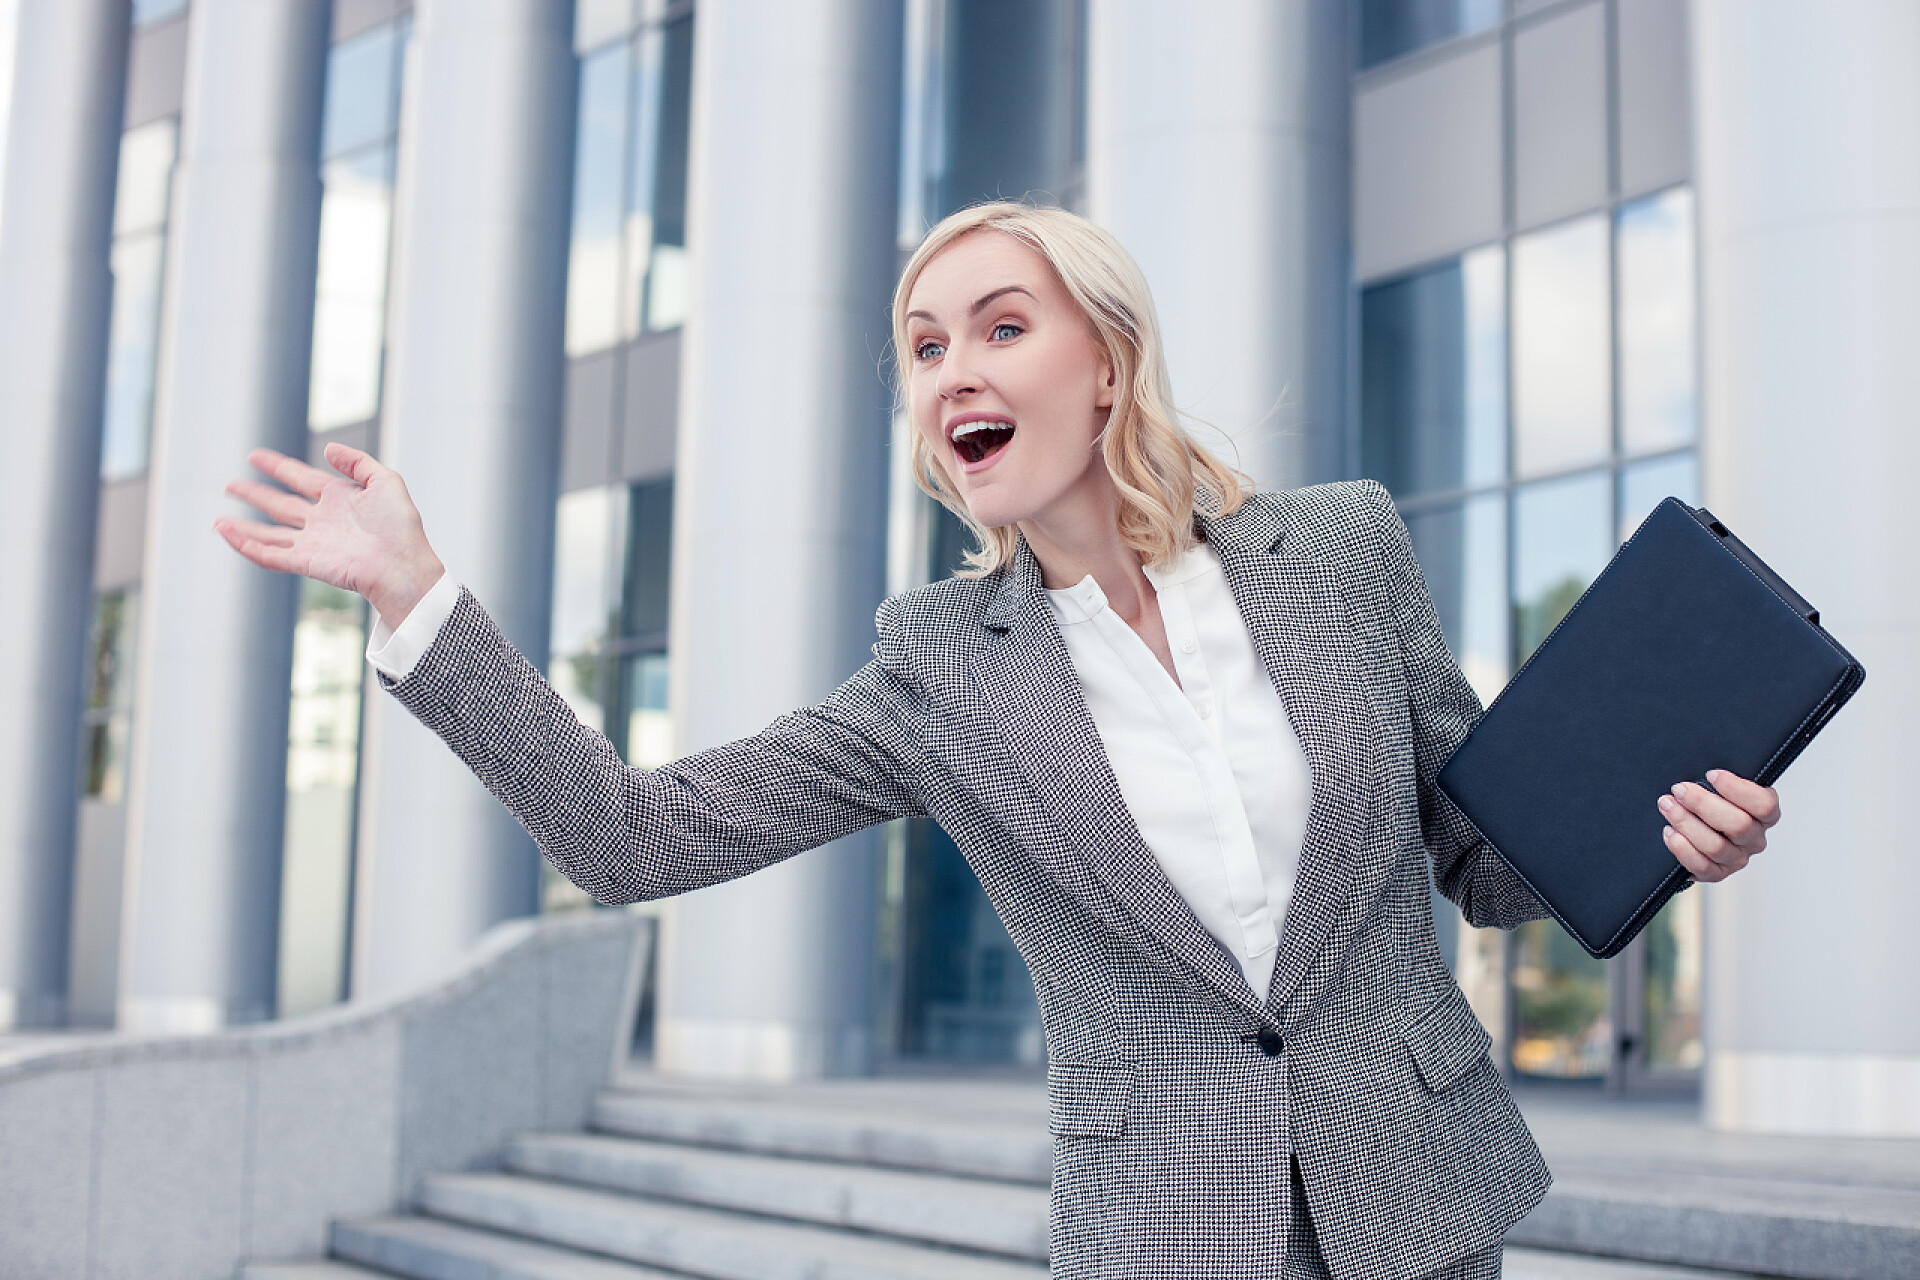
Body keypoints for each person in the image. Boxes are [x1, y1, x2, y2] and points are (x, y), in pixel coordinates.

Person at [216, 202, 1780, 1279]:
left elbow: (1476, 864)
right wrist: (420, 600)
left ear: (1104, 363)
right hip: (1167, 1231)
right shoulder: (933, 678)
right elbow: (632, 837)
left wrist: (1659, 836)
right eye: (921, 346)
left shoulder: (1346, 550)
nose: (952, 367)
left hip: (1421, 1199)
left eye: (998, 326)